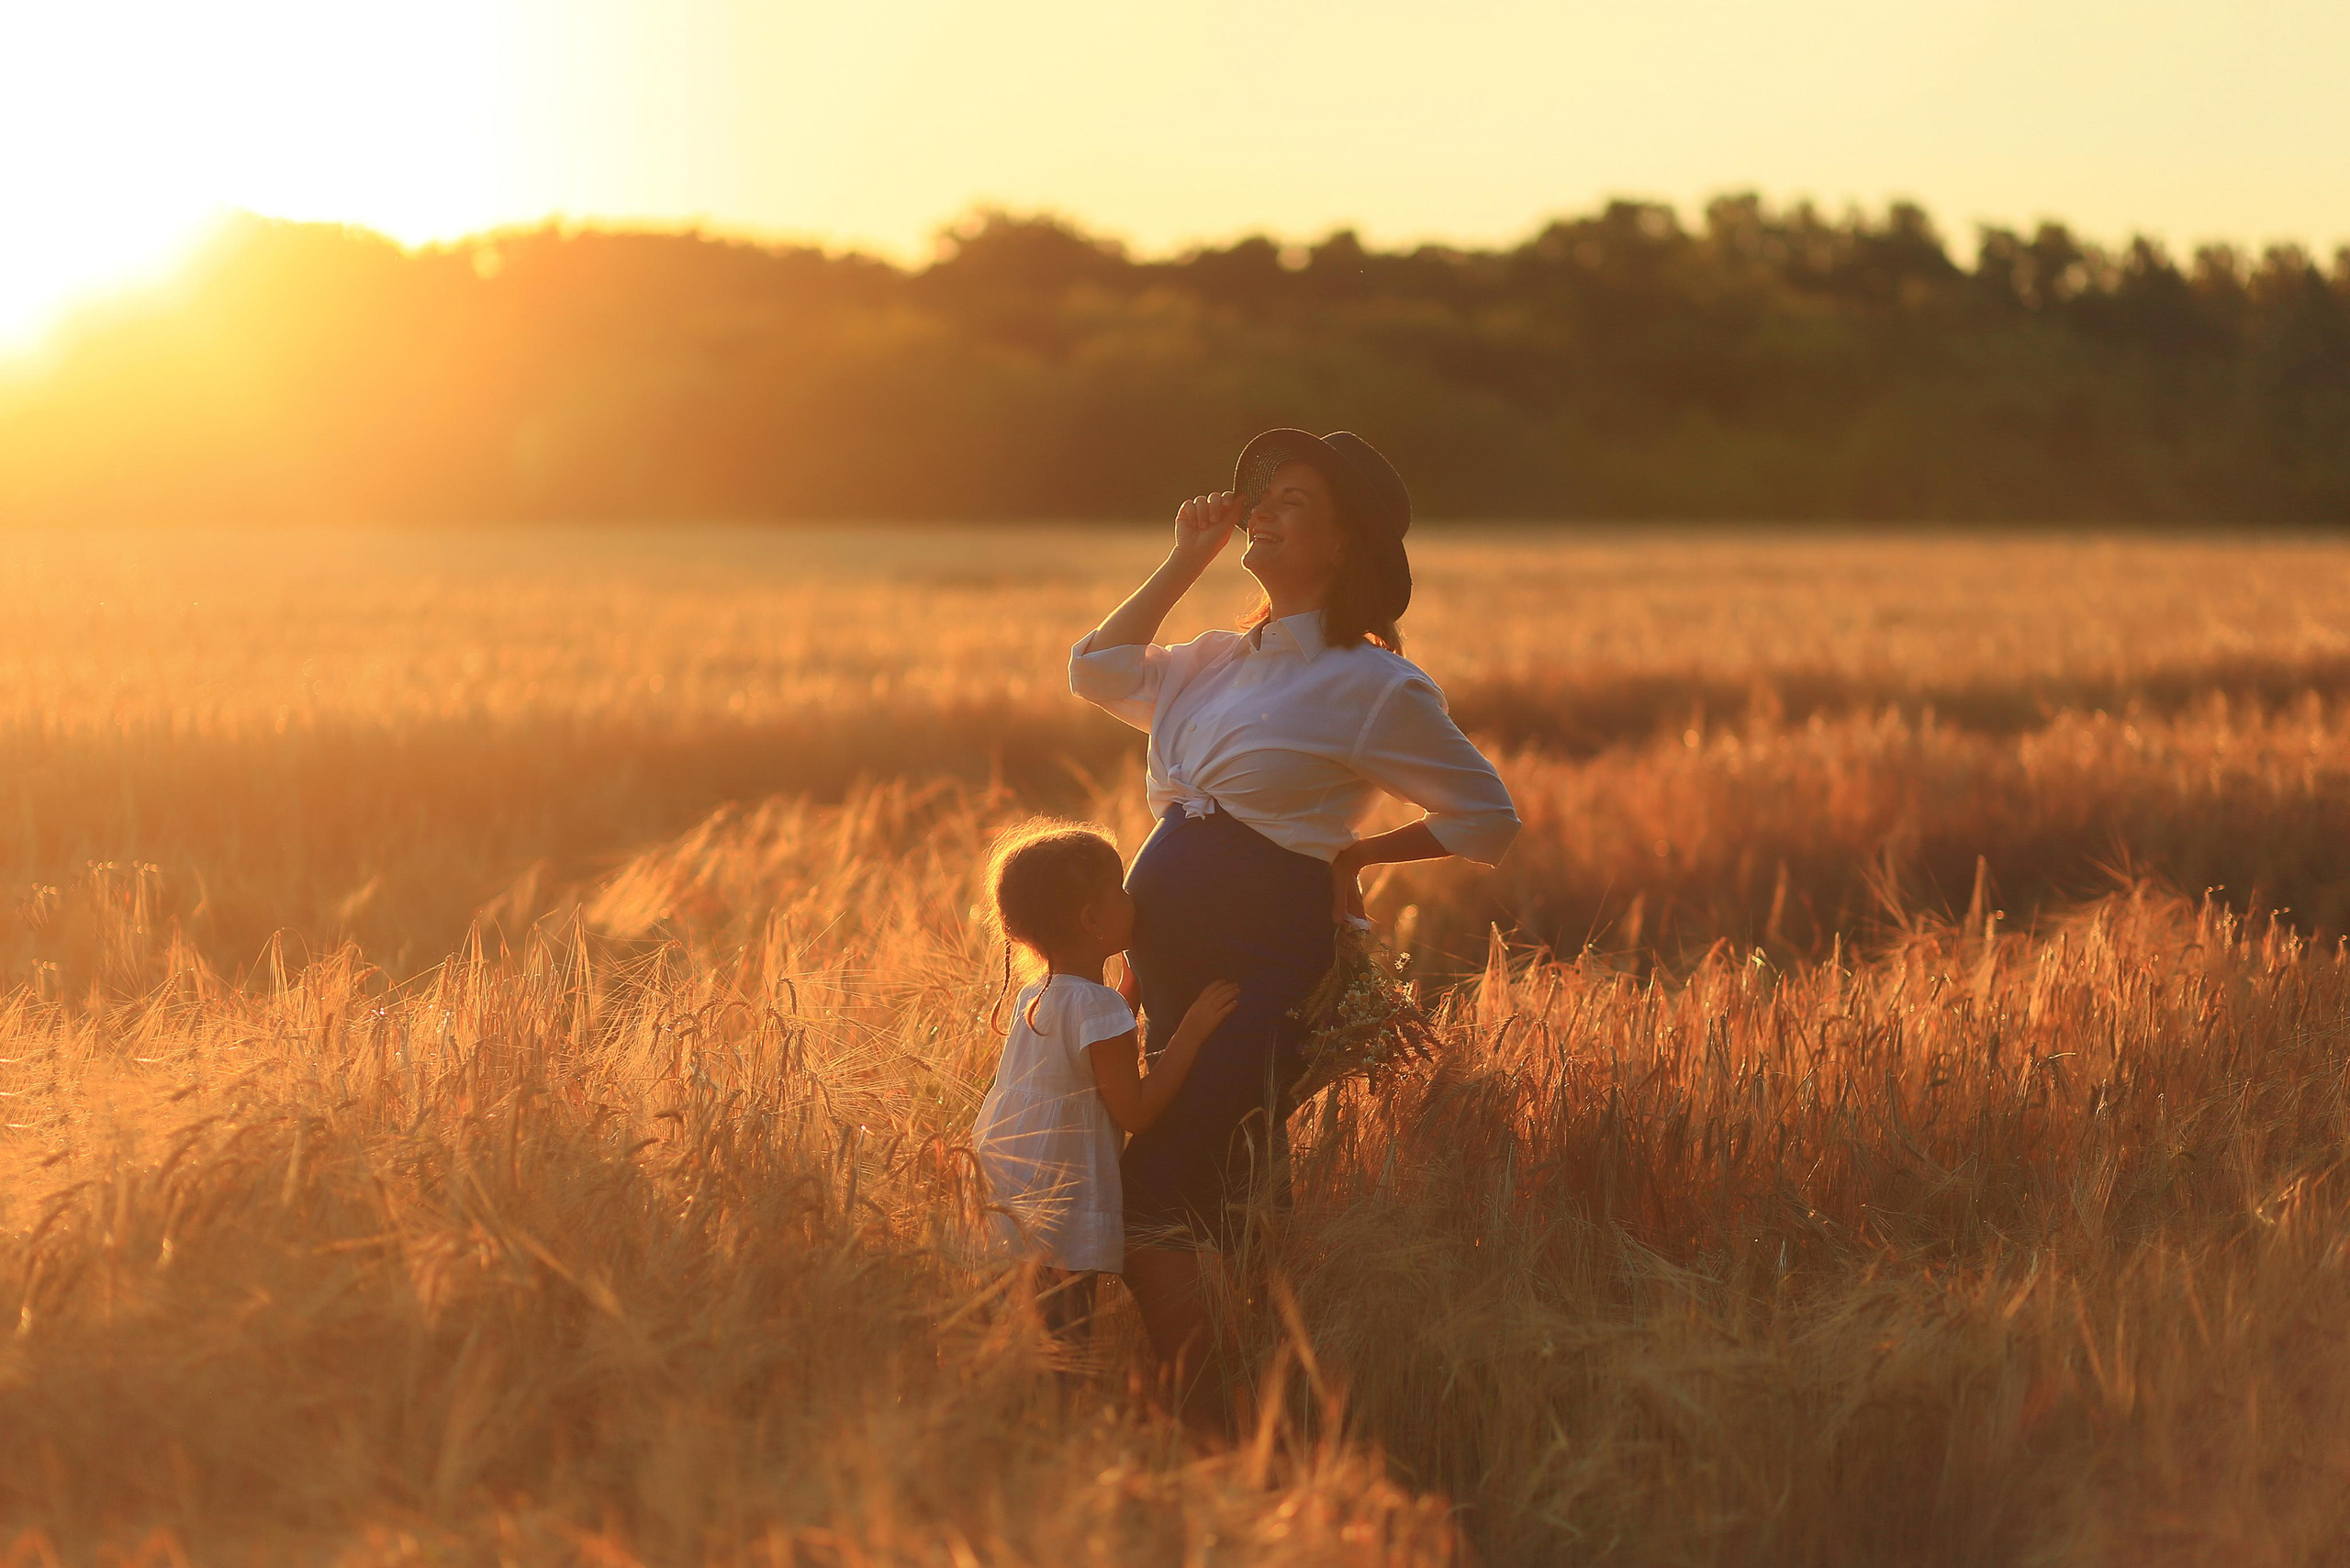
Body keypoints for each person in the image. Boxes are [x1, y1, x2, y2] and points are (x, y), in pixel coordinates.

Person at [1069, 429, 1520, 1429]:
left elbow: (1486, 817)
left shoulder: (1371, 685)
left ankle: (1207, 1419)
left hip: (1261, 958)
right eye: (1258, 495)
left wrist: (1355, 857)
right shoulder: (1212, 659)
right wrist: (1185, 558)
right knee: (1231, 1186)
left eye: (1294, 501)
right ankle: (1274, 1411)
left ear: (1344, 545)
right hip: (1171, 966)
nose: (1262, 508)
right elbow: (1094, 669)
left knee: (1148, 1202)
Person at [970, 820, 1241, 1361]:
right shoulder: (1100, 1009)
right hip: (1060, 1200)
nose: (1134, 898)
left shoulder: (1039, 995)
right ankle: (1063, 1431)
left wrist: (1130, 991)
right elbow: (1135, 1111)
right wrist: (1191, 1030)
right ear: (1093, 920)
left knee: (1006, 1344)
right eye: (1120, 890)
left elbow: (1089, 1041)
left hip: (1006, 1182)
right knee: (1064, 1344)